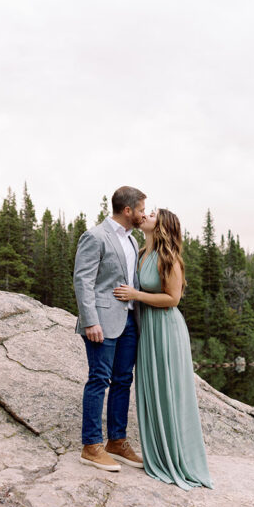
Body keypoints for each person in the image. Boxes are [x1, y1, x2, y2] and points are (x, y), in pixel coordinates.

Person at [112, 209, 213, 490]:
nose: (146, 215)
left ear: (163, 225)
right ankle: (158, 451)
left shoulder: (169, 258)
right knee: (152, 389)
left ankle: (177, 457)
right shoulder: (142, 251)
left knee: (169, 391)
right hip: (147, 329)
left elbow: (173, 299)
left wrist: (136, 295)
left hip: (166, 330)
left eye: (153, 214)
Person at [72, 186, 147, 472]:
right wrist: (90, 321)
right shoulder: (95, 236)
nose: (143, 215)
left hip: (129, 321)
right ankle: (91, 446)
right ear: (127, 210)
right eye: (140, 210)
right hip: (102, 321)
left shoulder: (131, 240)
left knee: (123, 381)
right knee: (99, 379)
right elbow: (83, 280)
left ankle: (116, 442)